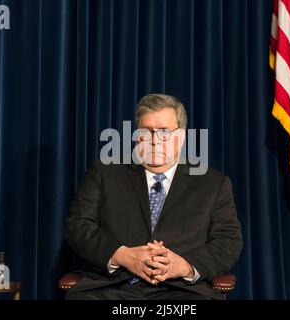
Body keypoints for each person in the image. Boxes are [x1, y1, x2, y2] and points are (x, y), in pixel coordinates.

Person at [65, 93, 242, 300]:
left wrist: (184, 266)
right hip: (111, 288)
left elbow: (228, 241)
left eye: (164, 132)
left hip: (181, 291)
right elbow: (78, 225)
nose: (154, 141)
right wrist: (121, 255)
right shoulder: (105, 172)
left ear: (182, 136)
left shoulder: (213, 183)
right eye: (146, 132)